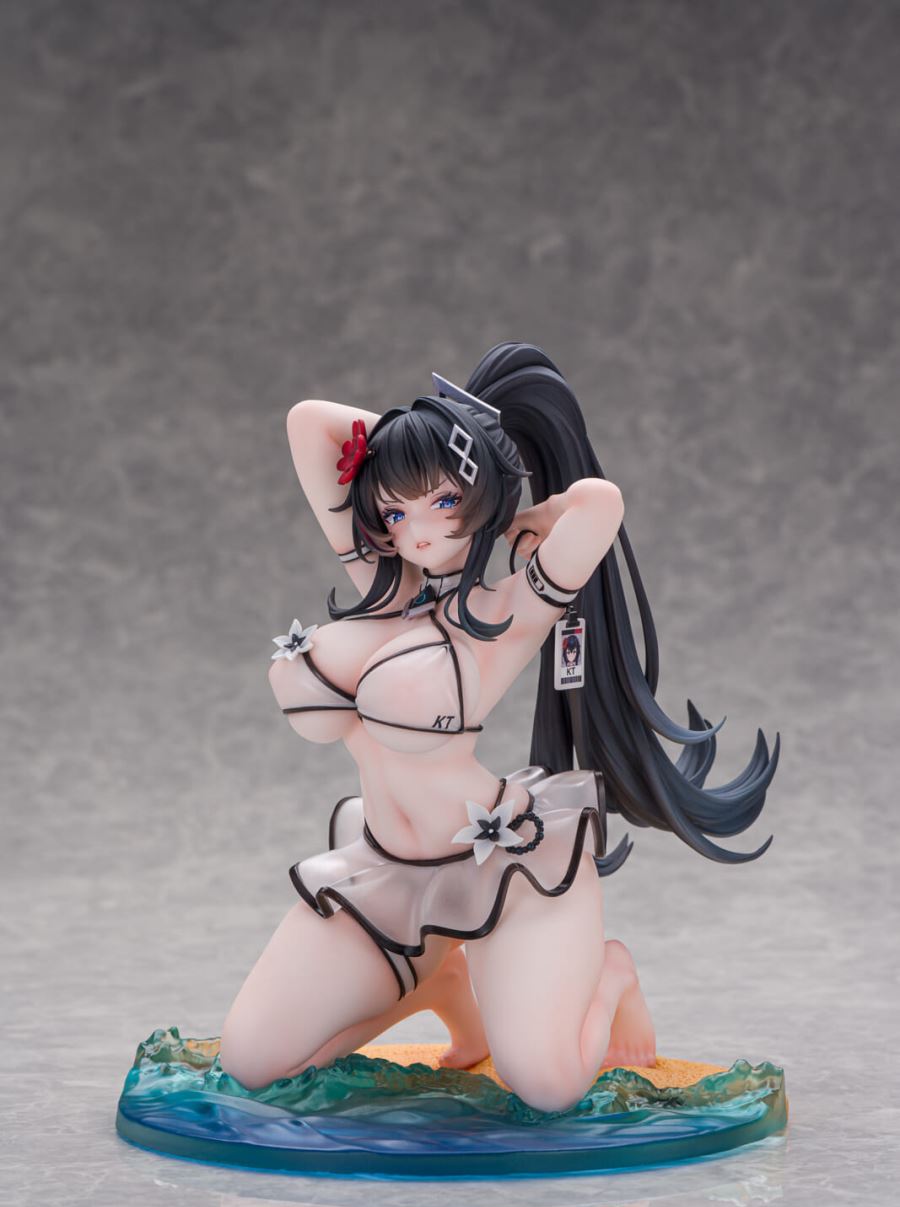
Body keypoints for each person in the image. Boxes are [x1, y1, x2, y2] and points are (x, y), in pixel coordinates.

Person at [218, 342, 780, 1114]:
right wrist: (416, 444)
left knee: (547, 1086)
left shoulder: (505, 612)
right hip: (387, 873)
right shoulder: (382, 583)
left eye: (442, 503)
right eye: (396, 511)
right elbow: (308, 423)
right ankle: (435, 982)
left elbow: (600, 506)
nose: (417, 532)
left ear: (478, 497)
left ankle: (611, 973)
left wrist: (502, 501)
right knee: (251, 1063)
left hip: (502, 870)